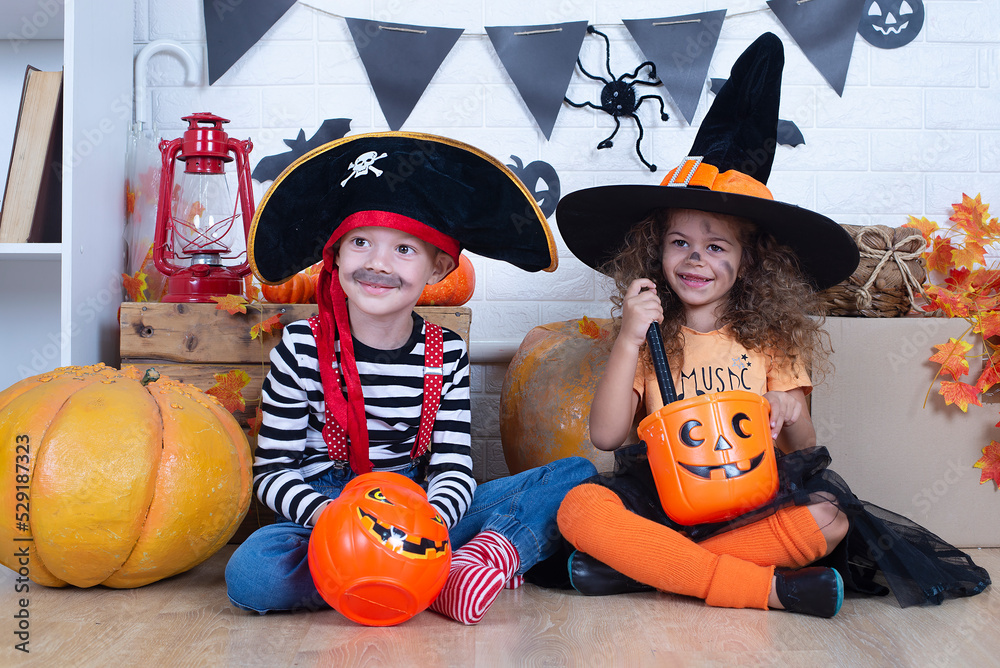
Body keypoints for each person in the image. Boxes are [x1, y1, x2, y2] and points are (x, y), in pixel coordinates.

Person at [554, 33, 990, 617]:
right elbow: (607, 437)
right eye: (680, 242)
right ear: (655, 252)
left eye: (716, 246)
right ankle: (763, 589)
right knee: (579, 507)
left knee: (829, 518)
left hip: (750, 497)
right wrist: (631, 339)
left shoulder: (771, 339)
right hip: (663, 497)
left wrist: (789, 411)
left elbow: (803, 444)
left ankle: (648, 569)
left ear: (751, 260)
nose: (695, 258)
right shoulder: (650, 330)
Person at [225, 132, 597, 624]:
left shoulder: (446, 355)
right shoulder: (301, 348)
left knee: (576, 477)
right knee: (253, 574)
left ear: (439, 266)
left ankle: (465, 562)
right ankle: (410, 579)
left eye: (404, 249)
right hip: (326, 515)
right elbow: (272, 474)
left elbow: (453, 467)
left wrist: (434, 521)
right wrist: (335, 523)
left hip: (417, 511)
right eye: (361, 243)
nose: (377, 263)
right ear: (335, 256)